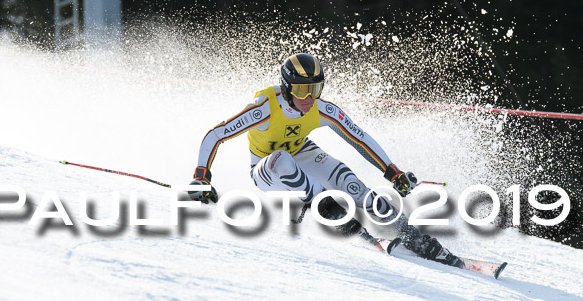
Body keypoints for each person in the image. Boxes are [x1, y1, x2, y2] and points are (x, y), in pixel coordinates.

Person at [189, 52, 463, 268]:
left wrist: (393, 173)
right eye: (300, 90)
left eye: (315, 88)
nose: (308, 98)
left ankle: (411, 234)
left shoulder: (320, 108)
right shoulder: (264, 108)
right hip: (266, 169)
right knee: (283, 159)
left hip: (302, 151)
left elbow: (359, 138)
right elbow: (216, 135)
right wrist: (201, 176)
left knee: (350, 183)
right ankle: (333, 214)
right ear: (286, 88)